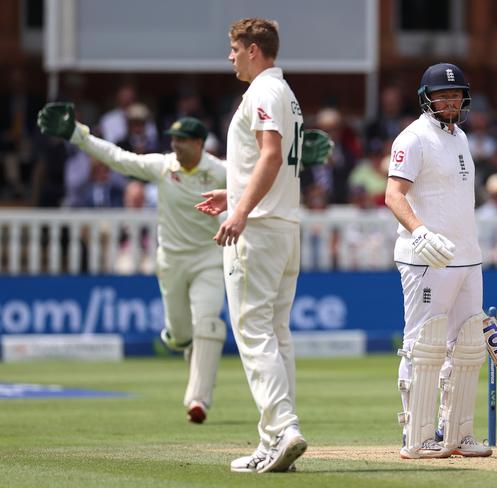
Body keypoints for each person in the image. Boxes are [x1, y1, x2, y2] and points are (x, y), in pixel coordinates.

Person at [195, 18, 332, 474]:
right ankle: (272, 440)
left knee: (253, 334)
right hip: (282, 226)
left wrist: (240, 212)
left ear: (254, 49)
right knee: (275, 335)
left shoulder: (264, 93)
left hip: (259, 230)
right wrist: (232, 195)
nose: (230, 57)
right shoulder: (284, 92)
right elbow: (264, 159)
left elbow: (271, 154)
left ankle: (285, 427)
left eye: (234, 49)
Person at [37, 105, 228, 424]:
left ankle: (198, 401)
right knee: (183, 336)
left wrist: (296, 165)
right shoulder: (163, 167)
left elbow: (257, 177)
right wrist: (77, 134)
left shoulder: (221, 171)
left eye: (182, 140)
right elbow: (118, 158)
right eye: (173, 139)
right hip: (171, 260)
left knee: (208, 324)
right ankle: (182, 344)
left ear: (199, 143)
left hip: (209, 259)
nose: (175, 145)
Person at [384, 62, 492, 459]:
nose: (451, 101)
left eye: (456, 95)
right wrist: (420, 231)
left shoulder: (460, 136)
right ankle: (415, 437)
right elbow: (393, 195)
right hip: (426, 257)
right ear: (426, 98)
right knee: (424, 346)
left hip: (467, 257)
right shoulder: (412, 139)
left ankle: (457, 434)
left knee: (467, 346)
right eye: (443, 95)